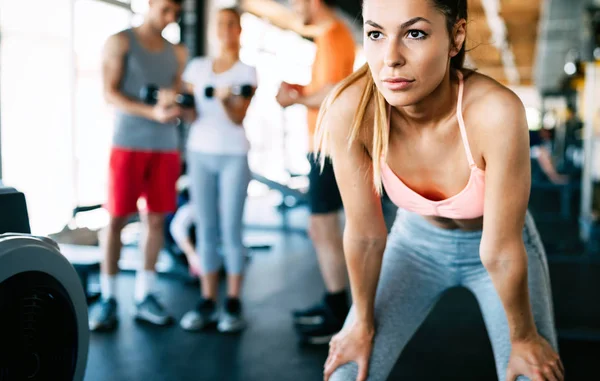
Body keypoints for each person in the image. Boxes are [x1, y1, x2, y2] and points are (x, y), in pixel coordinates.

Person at [315, 0, 564, 380]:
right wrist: (360, 324)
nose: (391, 58)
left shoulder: (495, 111)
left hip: (501, 246)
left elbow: (499, 250)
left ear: (455, 37)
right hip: (415, 245)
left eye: (414, 33)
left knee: (534, 375)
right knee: (345, 374)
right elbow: (365, 235)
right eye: (376, 33)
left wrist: (525, 337)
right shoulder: (351, 109)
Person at [89, 0, 187, 332]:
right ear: (150, 4)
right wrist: (152, 113)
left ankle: (145, 295)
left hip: (165, 147)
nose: (171, 18)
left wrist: (177, 102)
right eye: (166, 10)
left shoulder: (177, 53)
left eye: (176, 12)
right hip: (128, 143)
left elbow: (179, 96)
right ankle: (108, 298)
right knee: (116, 219)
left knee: (156, 220)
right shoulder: (120, 41)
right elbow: (109, 94)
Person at [275, 0, 356, 344]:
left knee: (324, 226)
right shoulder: (327, 36)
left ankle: (339, 312)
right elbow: (322, 89)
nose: (294, 7)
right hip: (321, 145)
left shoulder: (335, 33)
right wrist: (300, 91)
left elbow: (334, 93)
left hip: (329, 147)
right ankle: (333, 300)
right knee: (320, 228)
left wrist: (295, 100)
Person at [177, 7, 257, 333]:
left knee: (230, 228)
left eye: (231, 24)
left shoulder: (247, 72)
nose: (225, 29)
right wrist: (181, 104)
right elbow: (190, 111)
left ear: (239, 30)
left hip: (233, 154)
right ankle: (208, 299)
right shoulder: (196, 68)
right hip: (199, 152)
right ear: (214, 29)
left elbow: (238, 117)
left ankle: (233, 302)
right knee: (206, 227)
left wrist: (224, 98)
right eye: (220, 24)